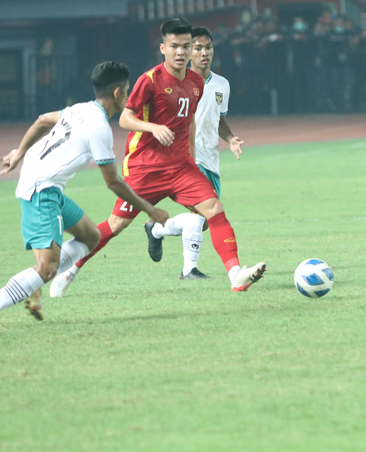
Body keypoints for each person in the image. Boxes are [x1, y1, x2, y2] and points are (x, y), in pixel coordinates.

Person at [50, 18, 265, 296]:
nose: (181, 52)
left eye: (186, 46)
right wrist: (152, 127)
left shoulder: (196, 83)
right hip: (145, 168)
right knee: (117, 225)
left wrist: (191, 160)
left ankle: (236, 275)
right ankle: (72, 269)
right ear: (163, 48)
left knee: (214, 208)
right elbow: (125, 118)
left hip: (181, 168)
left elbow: (189, 123)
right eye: (174, 46)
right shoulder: (149, 80)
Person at [0, 62, 169, 330]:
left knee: (91, 237)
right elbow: (113, 183)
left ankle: (33, 285)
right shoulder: (99, 128)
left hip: (46, 185)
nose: (130, 95)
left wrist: (19, 152)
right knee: (47, 268)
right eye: (128, 90)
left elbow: (41, 120)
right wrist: (149, 209)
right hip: (41, 189)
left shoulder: (81, 109)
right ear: (118, 92)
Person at [143, 26, 245, 280]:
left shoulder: (222, 84)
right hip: (187, 158)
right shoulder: (178, 83)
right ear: (188, 52)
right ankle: (189, 269)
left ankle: (156, 229)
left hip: (211, 158)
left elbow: (219, 119)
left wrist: (231, 139)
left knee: (205, 220)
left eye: (208, 47)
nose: (204, 52)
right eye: (197, 48)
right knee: (203, 214)